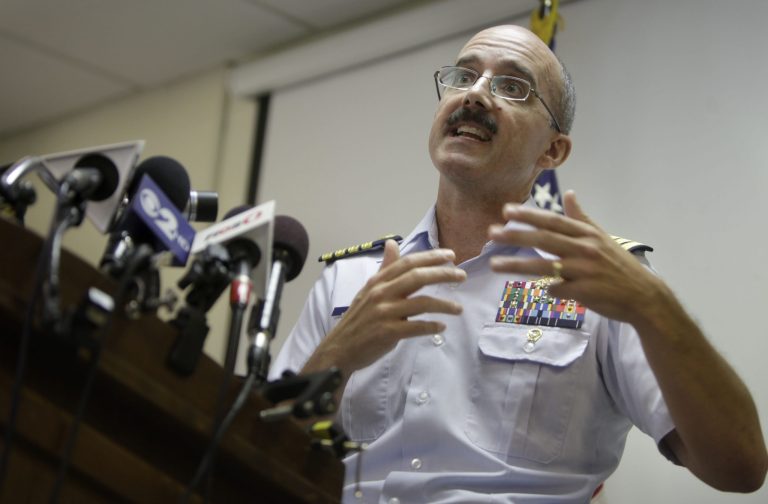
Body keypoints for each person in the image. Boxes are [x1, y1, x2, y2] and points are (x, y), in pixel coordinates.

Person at [269, 24, 767, 503]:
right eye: (463, 76)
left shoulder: (602, 281)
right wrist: (334, 358)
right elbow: (257, 446)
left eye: (513, 86)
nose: (476, 94)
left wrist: (656, 308)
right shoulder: (351, 282)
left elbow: (739, 466)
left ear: (553, 149)